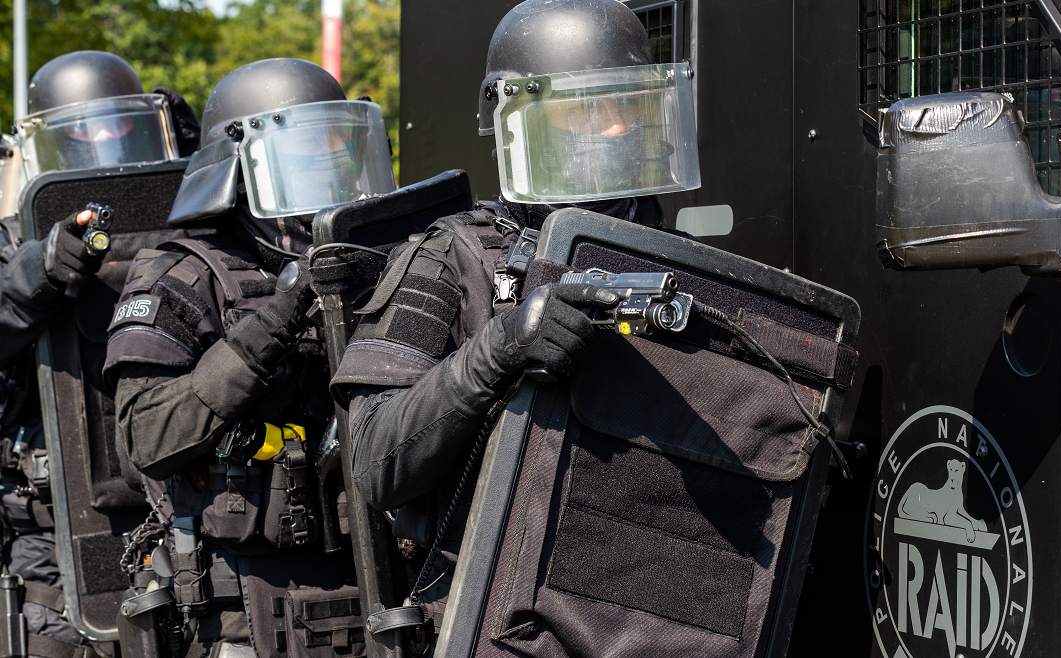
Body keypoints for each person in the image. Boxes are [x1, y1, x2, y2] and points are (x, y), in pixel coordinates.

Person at [329, 0, 701, 651]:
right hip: (491, 617)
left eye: (627, 106)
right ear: (521, 120)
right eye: (584, 109)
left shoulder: (672, 257)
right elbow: (372, 460)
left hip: (642, 620)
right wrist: (495, 351)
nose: (613, 130)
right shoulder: (453, 254)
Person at [103, 57, 396, 658]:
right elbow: (145, 440)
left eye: (336, 153)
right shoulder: (177, 276)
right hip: (235, 612)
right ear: (235, 171)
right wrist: (283, 313)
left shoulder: (382, 266)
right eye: (301, 158)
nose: (326, 172)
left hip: (379, 589)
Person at [0, 50, 197, 658]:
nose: (108, 151)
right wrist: (37, 269)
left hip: (177, 520)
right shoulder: (15, 241)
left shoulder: (179, 224)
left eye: (124, 130)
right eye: (84, 136)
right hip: (52, 553)